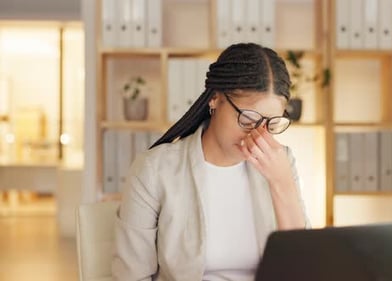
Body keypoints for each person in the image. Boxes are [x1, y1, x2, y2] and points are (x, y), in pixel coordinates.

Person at [112, 42, 310, 281]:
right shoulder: (155, 170)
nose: (257, 135)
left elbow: (304, 269)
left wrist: (282, 183)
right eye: (248, 118)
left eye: (271, 124)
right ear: (215, 99)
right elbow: (132, 276)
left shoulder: (281, 163)